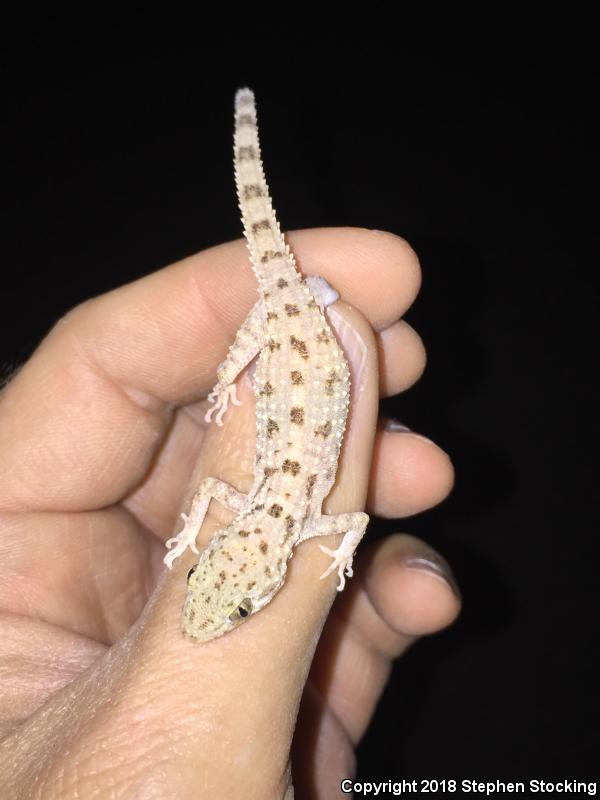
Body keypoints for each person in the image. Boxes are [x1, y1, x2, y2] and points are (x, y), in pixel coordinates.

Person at [0, 228, 459, 798]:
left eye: (225, 596)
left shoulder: (306, 523)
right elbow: (242, 495)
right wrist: (197, 523)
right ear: (226, 552)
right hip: (306, 331)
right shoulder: (282, 515)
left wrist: (337, 554)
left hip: (312, 338)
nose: (202, 619)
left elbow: (345, 521)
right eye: (227, 596)